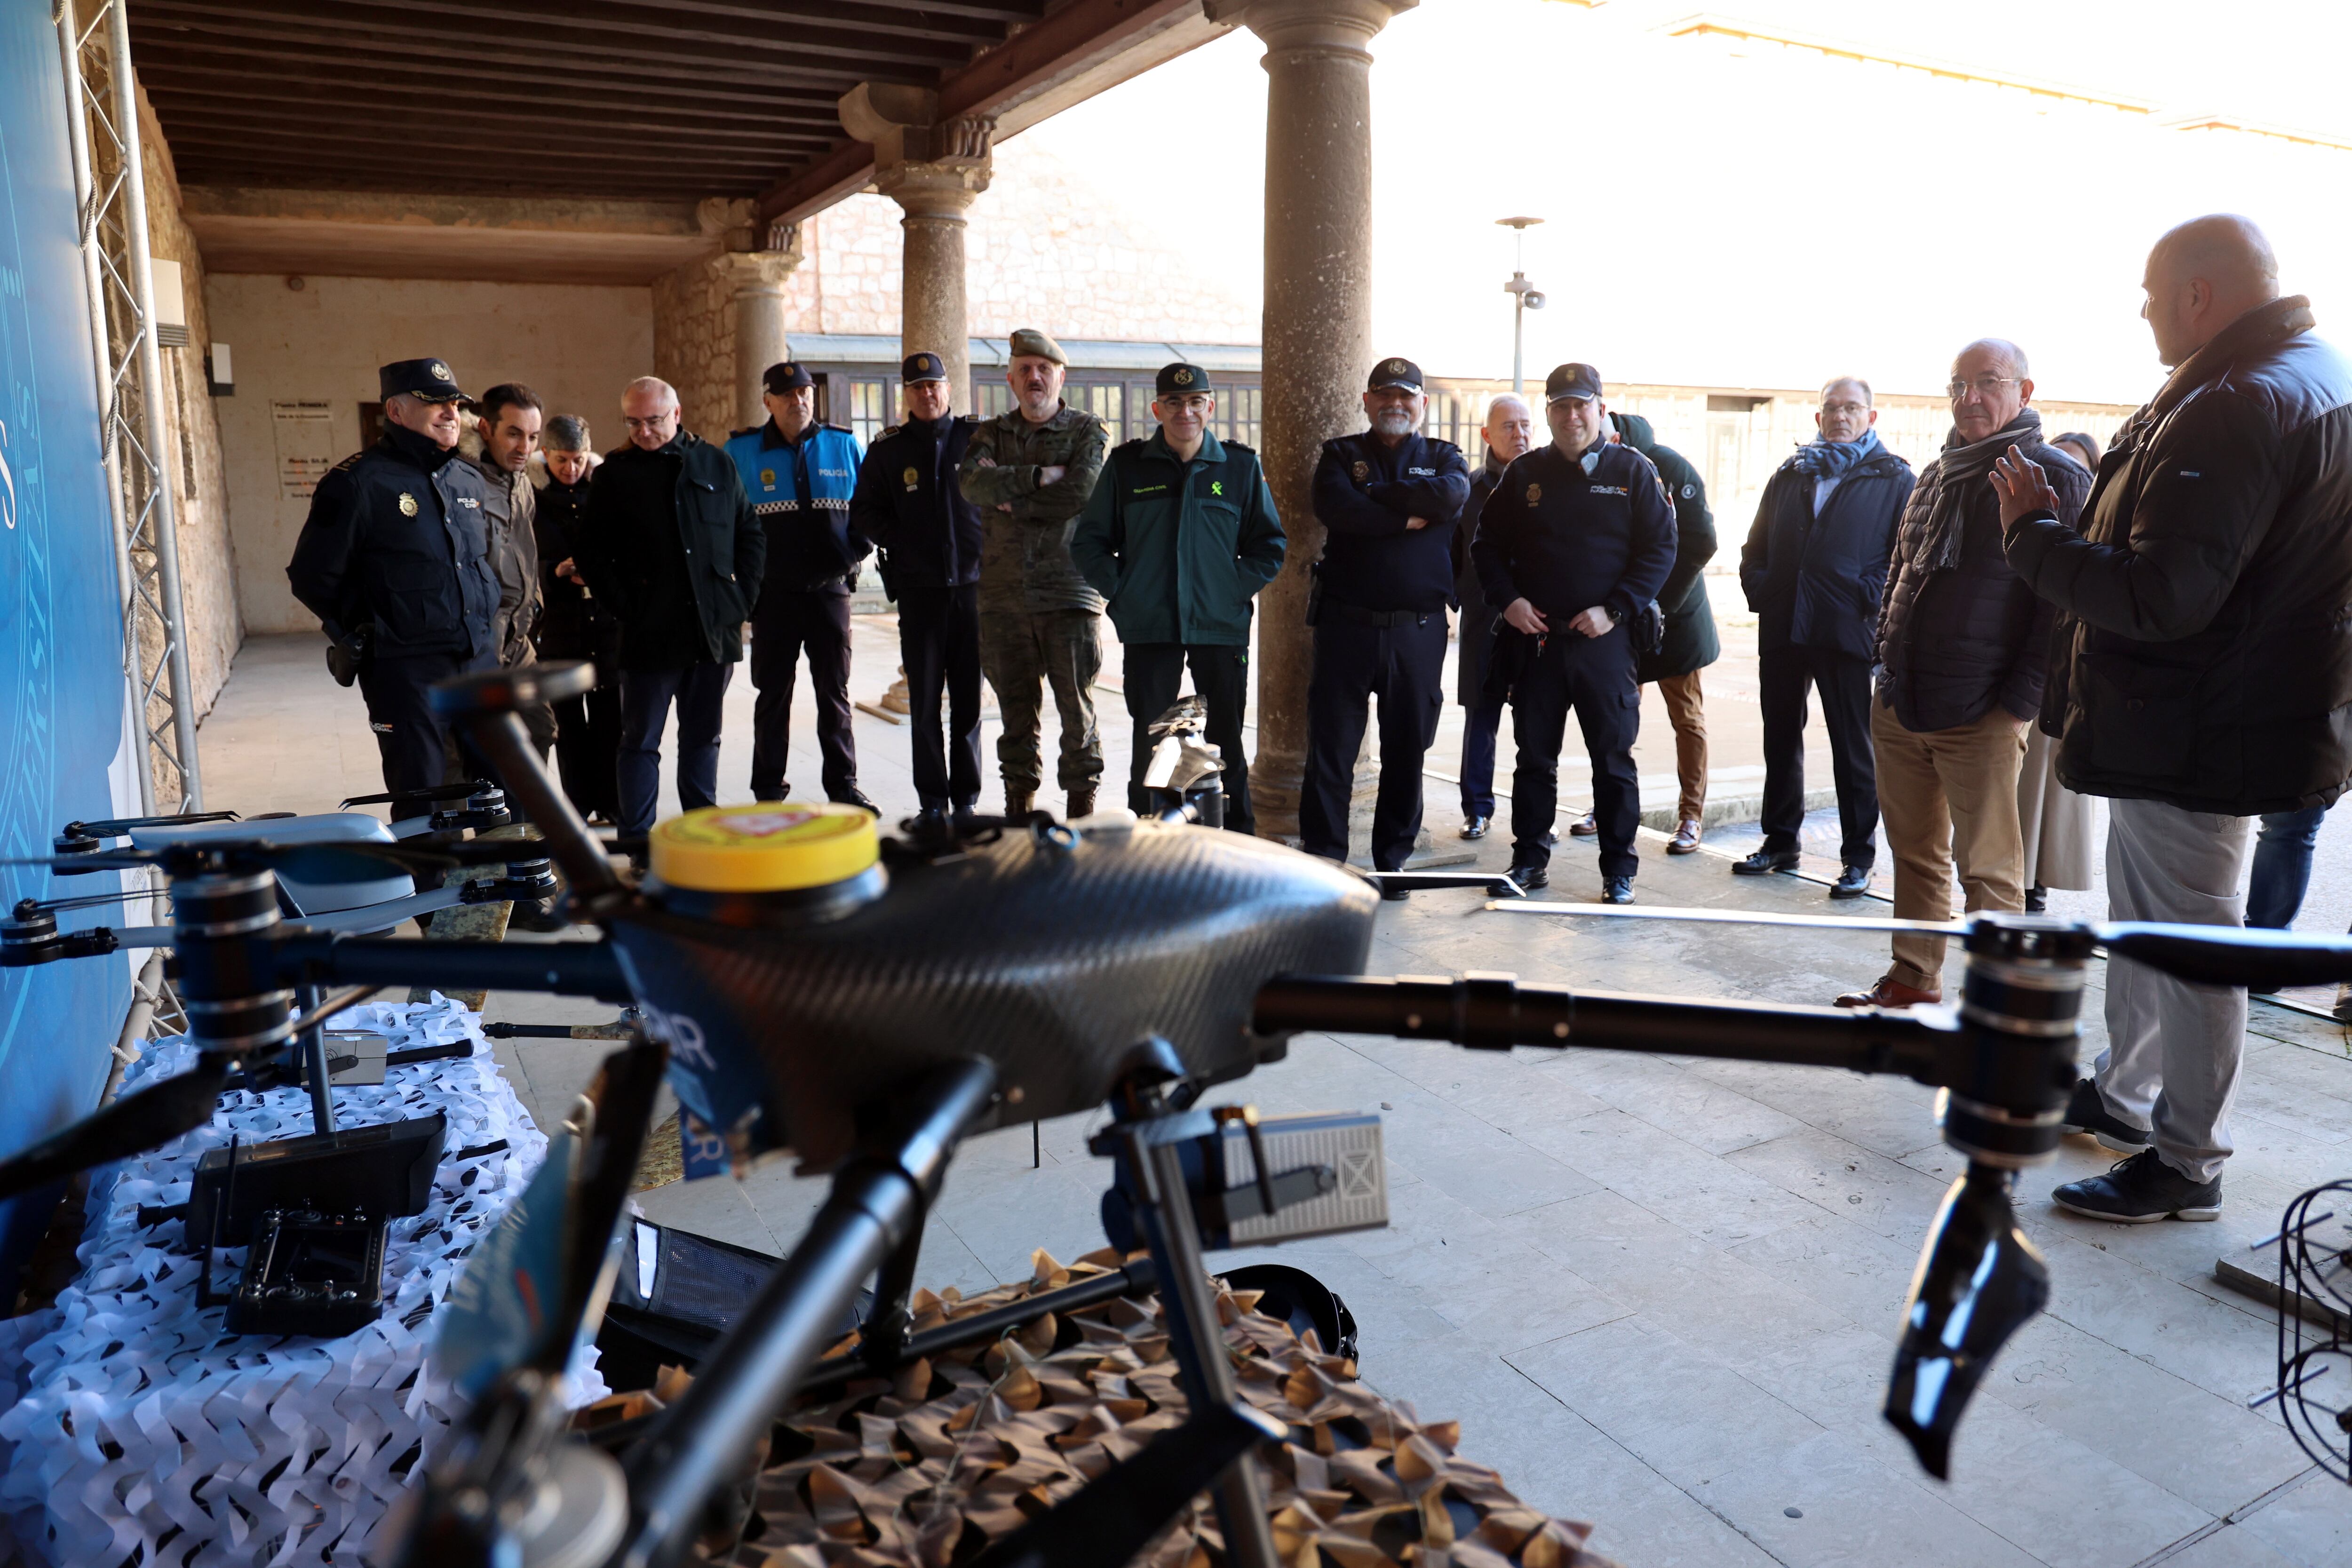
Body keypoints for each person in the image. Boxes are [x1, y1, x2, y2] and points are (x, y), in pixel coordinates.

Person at [1994, 214, 2352, 1220]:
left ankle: (2186, 1163)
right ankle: (2123, 1094)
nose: (2143, 310)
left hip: (2198, 725)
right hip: (2227, 713)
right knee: (2153, 928)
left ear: (2199, 294)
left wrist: (2030, 536)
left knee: (2191, 945)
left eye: (2152, 293)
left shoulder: (2235, 401)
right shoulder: (2314, 371)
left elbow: (2162, 597)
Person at [1836, 341, 2090, 1010]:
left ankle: (1997, 1001)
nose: (1969, 398)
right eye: (1959, 385)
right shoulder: (1938, 472)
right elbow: (1902, 569)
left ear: (2024, 392)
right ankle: (1913, 978)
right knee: (1915, 853)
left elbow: (2059, 607)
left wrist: (2017, 703)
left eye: (1989, 382)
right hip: (1901, 698)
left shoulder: (2054, 477)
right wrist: (1883, 662)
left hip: (1982, 710)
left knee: (1989, 868)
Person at [1471, 363, 1676, 901]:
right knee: (1533, 760)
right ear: (1548, 414)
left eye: (1580, 404)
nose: (1570, 415)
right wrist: (1509, 601)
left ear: (1600, 409)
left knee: (1612, 763)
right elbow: (1484, 547)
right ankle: (1529, 861)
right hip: (1536, 642)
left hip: (1603, 644)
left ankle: (1618, 871)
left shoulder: (1632, 471)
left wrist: (1616, 609)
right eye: (1559, 406)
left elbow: (1661, 549)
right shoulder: (1524, 474)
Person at [1072, 361, 1286, 832]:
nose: (1184, 411)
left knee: (1225, 739)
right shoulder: (1127, 467)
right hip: (1150, 627)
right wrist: (1124, 591)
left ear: (1209, 407)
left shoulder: (1239, 467)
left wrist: (1231, 590)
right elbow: (1088, 542)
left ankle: (1236, 840)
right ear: (1157, 409)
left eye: (1194, 402)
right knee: (1153, 739)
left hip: (1219, 627)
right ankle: (1149, 842)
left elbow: (1269, 545)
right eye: (1173, 402)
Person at [287, 357, 499, 797]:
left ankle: (497, 869)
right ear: (396, 411)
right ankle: (430, 871)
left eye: (456, 405)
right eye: (434, 403)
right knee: (424, 800)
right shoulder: (357, 483)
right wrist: (365, 631)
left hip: (478, 661)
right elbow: (311, 577)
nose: (451, 414)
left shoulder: (469, 480)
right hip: (408, 674)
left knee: (503, 791)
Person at [1737, 378, 1914, 892]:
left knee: (1851, 747)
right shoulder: (1791, 474)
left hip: (1845, 629)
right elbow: (1755, 548)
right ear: (1818, 418)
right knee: (1779, 739)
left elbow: (1902, 558)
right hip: (1784, 626)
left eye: (1851, 408)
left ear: (1870, 418)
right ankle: (1779, 842)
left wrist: (1866, 597)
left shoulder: (1892, 477)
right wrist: (1763, 591)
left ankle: (1857, 858)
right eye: (1831, 409)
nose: (1840, 416)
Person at [574, 376, 764, 838]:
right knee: (640, 743)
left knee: (703, 740)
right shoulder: (613, 475)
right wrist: (624, 607)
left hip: (710, 630)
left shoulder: (715, 463)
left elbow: (750, 534)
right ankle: (638, 842)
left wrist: (740, 601)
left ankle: (701, 836)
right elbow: (592, 553)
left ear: (676, 415)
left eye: (653, 421)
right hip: (648, 634)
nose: (643, 431)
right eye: (633, 423)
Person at [1302, 357, 1471, 871]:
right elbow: (1336, 509)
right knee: (1330, 754)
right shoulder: (1340, 454)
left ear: (1421, 404)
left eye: (1405, 397)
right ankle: (1325, 860)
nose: (1394, 405)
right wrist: (1405, 515)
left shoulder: (1445, 458)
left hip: (1416, 632)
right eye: (1384, 395)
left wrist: (1374, 497)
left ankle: (1391, 860)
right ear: (1367, 401)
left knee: (1406, 754)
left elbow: (1452, 496)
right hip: (1344, 628)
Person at [957, 329, 1111, 818]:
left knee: (1075, 711)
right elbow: (971, 483)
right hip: (1002, 596)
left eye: (1043, 369)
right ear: (1010, 379)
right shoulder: (990, 434)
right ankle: (1018, 812)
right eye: (1024, 369)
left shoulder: (1087, 430)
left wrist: (1009, 503)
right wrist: (1037, 476)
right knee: (1014, 714)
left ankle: (1080, 814)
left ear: (1060, 377)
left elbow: (1080, 493)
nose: (1034, 377)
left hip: (1068, 592)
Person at [1564, 412, 1718, 854]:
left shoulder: (1668, 465)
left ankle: (1691, 815)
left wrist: (1657, 602)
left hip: (1674, 615)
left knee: (1686, 717)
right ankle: (1606, 805)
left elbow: (1701, 541)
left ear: (1615, 434)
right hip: (1622, 615)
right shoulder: (1596, 468)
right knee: (1614, 717)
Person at [724, 361, 874, 811]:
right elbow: (727, 523)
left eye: (805, 393)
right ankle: (769, 790)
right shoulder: (741, 451)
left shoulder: (843, 445)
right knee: (773, 695)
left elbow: (870, 508)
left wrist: (854, 554)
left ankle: (843, 786)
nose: (799, 401)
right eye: (788, 395)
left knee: (835, 694)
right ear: (768, 401)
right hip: (773, 596)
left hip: (830, 591)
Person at [853, 352, 985, 830]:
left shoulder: (977, 439)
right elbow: (863, 511)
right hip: (920, 593)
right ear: (905, 395)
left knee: (969, 701)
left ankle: (966, 797)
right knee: (925, 701)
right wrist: (903, 539)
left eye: (934, 386)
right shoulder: (888, 451)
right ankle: (932, 799)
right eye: (917, 388)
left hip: (974, 590)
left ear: (948, 389)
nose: (927, 394)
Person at [2019, 430, 2104, 912]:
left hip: (2068, 663)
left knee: (2051, 780)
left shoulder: (2095, 526)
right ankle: (2015, 873)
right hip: (2029, 660)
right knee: (2021, 779)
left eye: (2076, 467)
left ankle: (2039, 878)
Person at [534, 414, 621, 823]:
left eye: (579, 459)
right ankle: (578, 807)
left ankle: (612, 804)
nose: (571, 469)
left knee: (611, 723)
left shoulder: (606, 493)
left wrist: (599, 570)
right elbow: (520, 561)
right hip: (559, 629)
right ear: (546, 455)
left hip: (605, 626)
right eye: (562, 460)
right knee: (568, 728)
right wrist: (555, 571)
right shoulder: (530, 497)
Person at [1455, 395, 1534, 840]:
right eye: (1509, 426)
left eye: (1525, 425)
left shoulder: (1549, 484)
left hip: (1536, 624)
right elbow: (1453, 551)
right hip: (1483, 620)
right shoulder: (1469, 488)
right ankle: (1477, 809)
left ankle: (1533, 810)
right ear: (1487, 435)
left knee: (1535, 721)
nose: (1519, 434)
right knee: (1481, 718)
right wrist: (1462, 598)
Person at [466, 382, 556, 765]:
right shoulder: (462, 481)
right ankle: (495, 826)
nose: (525, 448)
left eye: (533, 437)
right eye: (515, 434)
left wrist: (534, 603)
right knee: (482, 748)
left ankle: (530, 826)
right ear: (486, 428)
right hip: (479, 642)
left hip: (518, 638)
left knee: (541, 729)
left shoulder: (522, 481)